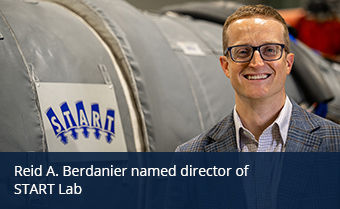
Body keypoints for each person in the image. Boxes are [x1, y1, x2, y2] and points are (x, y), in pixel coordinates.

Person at [176, 4, 340, 152]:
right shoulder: (190, 155)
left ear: (288, 63)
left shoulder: (335, 144)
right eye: (242, 51)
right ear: (226, 66)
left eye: (270, 50)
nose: (256, 63)